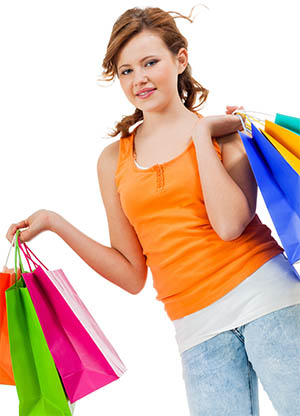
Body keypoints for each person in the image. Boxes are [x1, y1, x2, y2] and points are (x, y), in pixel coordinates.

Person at [6, 6, 300, 416]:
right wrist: (56, 223)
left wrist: (200, 134)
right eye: (126, 70)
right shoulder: (113, 160)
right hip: (195, 329)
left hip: (269, 300)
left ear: (180, 60)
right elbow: (131, 275)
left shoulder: (224, 135)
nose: (139, 78)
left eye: (150, 62)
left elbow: (230, 225)